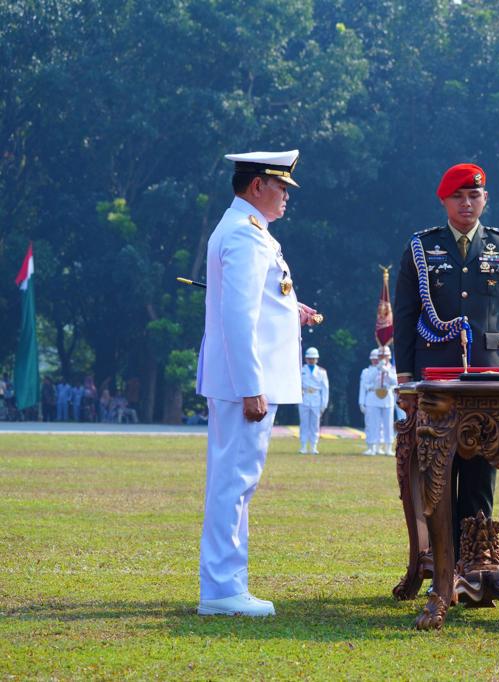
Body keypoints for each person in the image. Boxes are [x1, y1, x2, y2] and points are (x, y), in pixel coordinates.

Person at [195, 149, 319, 617]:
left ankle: (227, 584)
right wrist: (252, 387)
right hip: (242, 383)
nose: (286, 195)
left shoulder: (250, 232)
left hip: (239, 380)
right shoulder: (246, 237)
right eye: (280, 186)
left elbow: (259, 302)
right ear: (256, 187)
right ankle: (223, 589)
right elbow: (236, 316)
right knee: (234, 483)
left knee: (235, 483)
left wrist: (293, 310)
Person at [394, 163, 499, 550]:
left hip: (490, 376)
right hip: (436, 378)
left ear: (485, 198)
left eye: (474, 195)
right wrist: (404, 378)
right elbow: (405, 316)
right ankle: (441, 561)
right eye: (458, 196)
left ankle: (477, 559)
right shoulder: (422, 247)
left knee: (481, 468)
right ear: (444, 201)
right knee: (437, 470)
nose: (467, 204)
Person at [361, 347, 397, 455]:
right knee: (373, 424)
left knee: (388, 424)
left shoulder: (392, 369)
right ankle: (372, 447)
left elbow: (395, 381)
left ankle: (388, 447)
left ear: (388, 357)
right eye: (380, 356)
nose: (382, 358)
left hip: (387, 397)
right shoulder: (370, 369)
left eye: (385, 356)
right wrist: (378, 369)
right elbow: (367, 381)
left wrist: (387, 371)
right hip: (373, 397)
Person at [298, 347, 329, 454]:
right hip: (304, 398)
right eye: (309, 358)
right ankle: (303, 446)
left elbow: (325, 389)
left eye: (313, 358)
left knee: (315, 424)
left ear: (317, 359)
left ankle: (313, 446)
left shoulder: (321, 372)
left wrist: (324, 404)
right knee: (304, 423)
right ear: (306, 359)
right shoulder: (301, 370)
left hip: (316, 399)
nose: (311, 360)